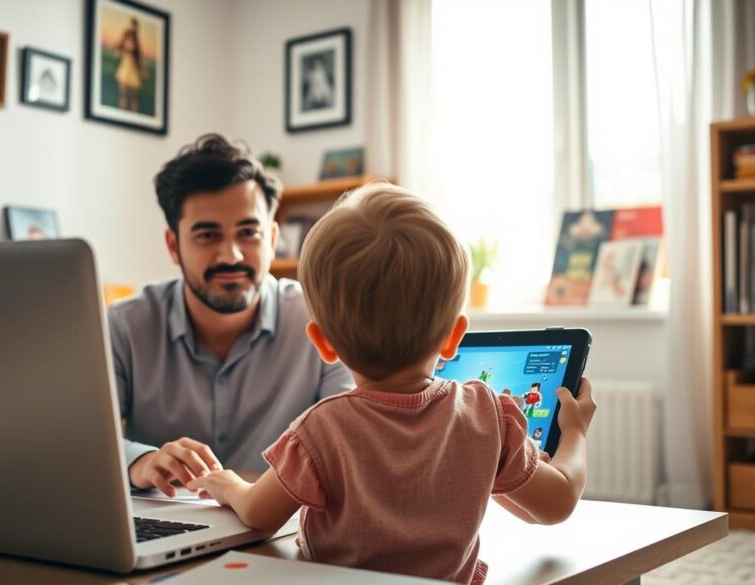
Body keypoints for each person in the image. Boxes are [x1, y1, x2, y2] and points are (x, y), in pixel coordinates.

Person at [190, 183, 596, 583]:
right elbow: (556, 503)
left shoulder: (321, 430)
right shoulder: (485, 413)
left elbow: (260, 514)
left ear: (323, 344)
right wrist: (573, 430)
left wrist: (229, 486)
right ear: (455, 336)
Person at [109, 134, 354, 497]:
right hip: (166, 525)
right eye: (208, 235)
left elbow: (354, 441)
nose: (232, 256)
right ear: (173, 246)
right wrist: (139, 462)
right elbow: (79, 438)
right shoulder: (125, 326)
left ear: (272, 239)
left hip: (286, 530)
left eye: (248, 233)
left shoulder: (322, 318)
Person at [115, 18, 146, 112]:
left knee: (133, 92)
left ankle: (133, 109)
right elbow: (120, 46)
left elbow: (139, 56)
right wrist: (122, 51)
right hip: (125, 64)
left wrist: (142, 70)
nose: (134, 27)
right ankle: (122, 107)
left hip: (132, 66)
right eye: (133, 25)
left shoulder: (137, 40)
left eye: (135, 26)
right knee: (123, 89)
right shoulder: (126, 34)